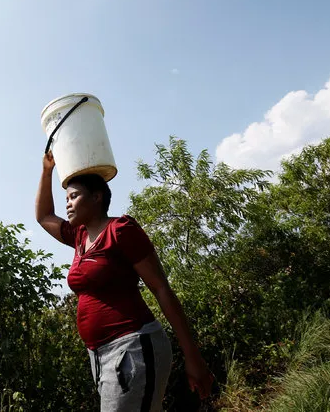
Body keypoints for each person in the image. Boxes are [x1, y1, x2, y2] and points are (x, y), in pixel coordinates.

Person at [35, 152, 213, 412]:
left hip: (133, 347)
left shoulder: (121, 230)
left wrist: (192, 355)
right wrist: (47, 170)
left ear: (97, 197)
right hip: (99, 354)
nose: (68, 204)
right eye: (67, 199)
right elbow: (43, 217)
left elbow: (161, 288)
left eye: (74, 196)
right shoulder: (78, 236)